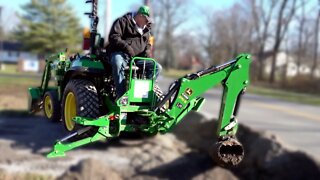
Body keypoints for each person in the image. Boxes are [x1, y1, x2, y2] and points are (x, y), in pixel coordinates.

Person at [106, 5, 162, 98]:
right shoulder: (123, 21)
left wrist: (147, 51)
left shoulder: (146, 30)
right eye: (146, 20)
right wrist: (127, 48)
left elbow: (147, 44)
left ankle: (143, 94)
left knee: (156, 67)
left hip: (137, 58)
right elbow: (114, 37)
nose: (148, 23)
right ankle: (122, 96)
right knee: (117, 62)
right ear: (140, 15)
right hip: (121, 53)